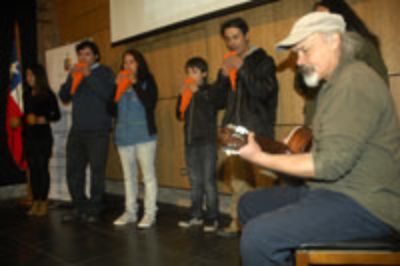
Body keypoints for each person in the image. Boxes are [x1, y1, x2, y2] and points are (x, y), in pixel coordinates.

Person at [237, 12, 400, 266]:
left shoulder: (354, 81)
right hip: (332, 191)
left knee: (258, 237)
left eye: (305, 50)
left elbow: (329, 165)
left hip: (367, 203)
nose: (299, 61)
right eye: (296, 54)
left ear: (334, 40)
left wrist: (260, 157)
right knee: (249, 203)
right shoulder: (333, 85)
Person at [213, 17, 279, 236]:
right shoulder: (228, 61)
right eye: (228, 39)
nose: (232, 43)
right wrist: (222, 78)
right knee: (238, 182)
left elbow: (265, 91)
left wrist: (242, 68)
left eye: (236, 37)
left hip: (257, 130)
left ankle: (266, 228)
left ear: (246, 36)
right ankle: (237, 223)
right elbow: (217, 101)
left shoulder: (263, 60)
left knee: (262, 183)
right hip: (233, 131)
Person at [297, 0, 389, 125]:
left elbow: (380, 84)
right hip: (318, 123)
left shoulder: (361, 47)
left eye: (325, 18)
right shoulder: (313, 52)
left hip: (351, 124)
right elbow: (303, 87)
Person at [59, 40, 115, 223]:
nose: (83, 58)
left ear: (96, 56)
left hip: (98, 131)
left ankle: (95, 208)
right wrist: (71, 78)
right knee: (74, 171)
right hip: (77, 131)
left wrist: (89, 75)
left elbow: (108, 95)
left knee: (97, 172)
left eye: (87, 54)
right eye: (80, 54)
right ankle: (79, 207)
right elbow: (64, 96)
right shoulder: (75, 73)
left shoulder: (105, 72)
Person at [112, 49, 158, 229]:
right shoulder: (119, 83)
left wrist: (135, 83)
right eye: (125, 62)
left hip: (144, 136)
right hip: (124, 136)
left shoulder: (147, 80)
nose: (128, 65)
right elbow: (110, 109)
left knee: (148, 177)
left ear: (139, 63)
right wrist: (114, 88)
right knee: (128, 177)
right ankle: (130, 212)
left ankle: (150, 213)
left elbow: (150, 103)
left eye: (132, 61)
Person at [176, 57, 219, 232]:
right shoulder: (187, 91)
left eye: (194, 72)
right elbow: (178, 115)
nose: (190, 76)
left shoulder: (210, 91)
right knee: (195, 181)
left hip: (207, 142)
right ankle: (196, 215)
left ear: (204, 74)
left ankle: (213, 218)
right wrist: (182, 97)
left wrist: (198, 93)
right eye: (188, 72)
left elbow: (213, 107)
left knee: (209, 181)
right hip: (190, 142)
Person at [24, 64, 61, 216]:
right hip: (29, 137)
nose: (28, 78)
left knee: (42, 167)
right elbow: (26, 116)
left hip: (43, 137)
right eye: (27, 75)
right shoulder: (26, 94)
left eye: (31, 75)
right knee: (33, 169)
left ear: (38, 76)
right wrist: (20, 120)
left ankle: (44, 202)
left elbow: (56, 115)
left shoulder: (48, 94)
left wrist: (42, 118)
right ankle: (36, 201)